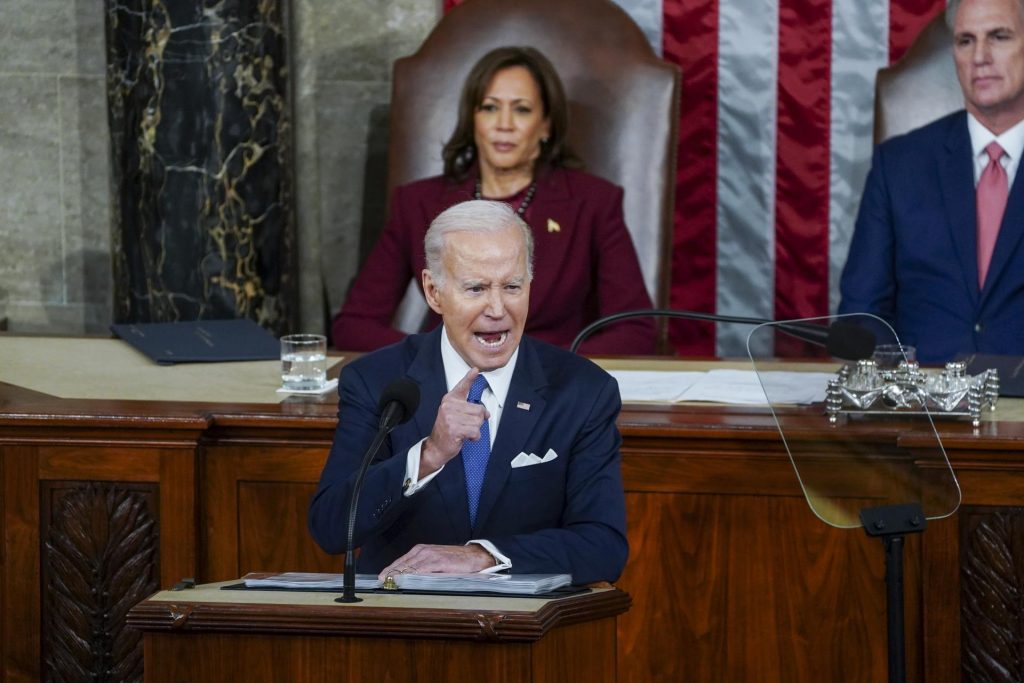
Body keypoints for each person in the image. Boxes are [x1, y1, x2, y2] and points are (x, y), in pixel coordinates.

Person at [309, 200, 629, 585]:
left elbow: (603, 546)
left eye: (512, 287)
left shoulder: (582, 391)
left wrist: (482, 557)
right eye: (476, 288)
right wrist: (427, 456)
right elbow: (330, 528)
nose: (497, 309)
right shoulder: (377, 382)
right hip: (403, 623)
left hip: (525, 629)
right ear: (433, 291)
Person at [331, 46, 656, 356]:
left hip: (551, 389)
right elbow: (354, 325)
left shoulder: (593, 202)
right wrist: (437, 358)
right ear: (473, 120)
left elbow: (636, 330)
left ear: (545, 125)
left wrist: (543, 365)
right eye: (489, 107)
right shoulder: (417, 203)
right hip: (449, 389)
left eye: (522, 109)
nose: (504, 124)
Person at [838, 0, 1024, 363]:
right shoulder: (899, 165)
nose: (979, 56)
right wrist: (897, 386)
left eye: (998, 37)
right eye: (965, 41)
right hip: (922, 404)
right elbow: (862, 312)